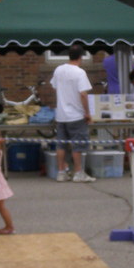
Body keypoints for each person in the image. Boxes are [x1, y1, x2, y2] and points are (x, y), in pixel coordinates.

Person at [51, 45, 95, 183]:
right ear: (81, 57)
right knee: (78, 145)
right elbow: (83, 94)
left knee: (61, 144)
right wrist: (87, 113)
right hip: (76, 115)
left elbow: (55, 87)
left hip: (61, 115)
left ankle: (61, 172)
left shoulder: (59, 70)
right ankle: (78, 172)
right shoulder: (80, 72)